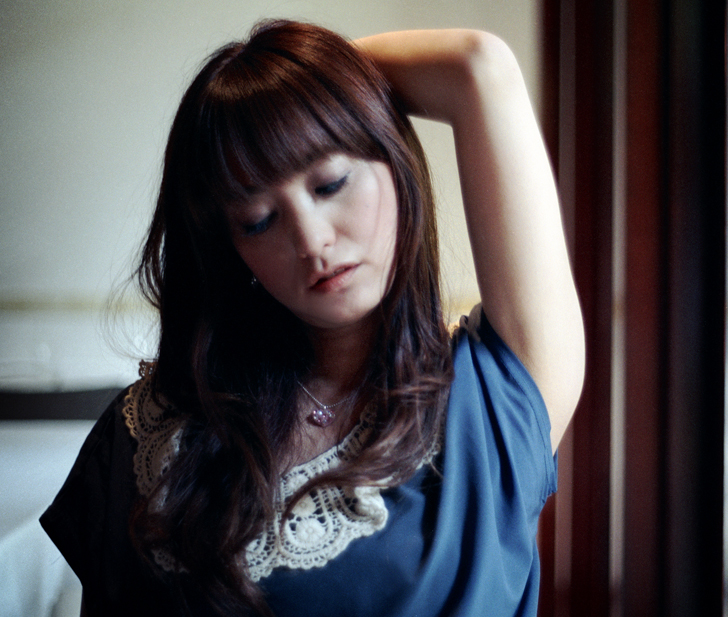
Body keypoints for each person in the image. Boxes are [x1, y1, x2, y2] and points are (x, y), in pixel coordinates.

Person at [41, 19, 584, 616]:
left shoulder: (495, 400)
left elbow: (479, 65)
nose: (312, 240)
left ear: (393, 161)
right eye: (258, 221)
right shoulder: (150, 435)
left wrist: (297, 82)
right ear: (232, 251)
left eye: (331, 184)